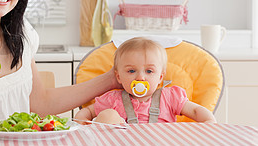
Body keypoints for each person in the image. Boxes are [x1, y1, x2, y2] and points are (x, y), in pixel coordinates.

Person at [74, 37, 217, 124]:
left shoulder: (170, 97)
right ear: (118, 77)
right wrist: (81, 124)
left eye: (149, 71)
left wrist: (209, 122)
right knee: (107, 116)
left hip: (162, 143)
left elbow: (196, 110)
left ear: (160, 77)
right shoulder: (113, 99)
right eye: (131, 71)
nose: (140, 77)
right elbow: (88, 112)